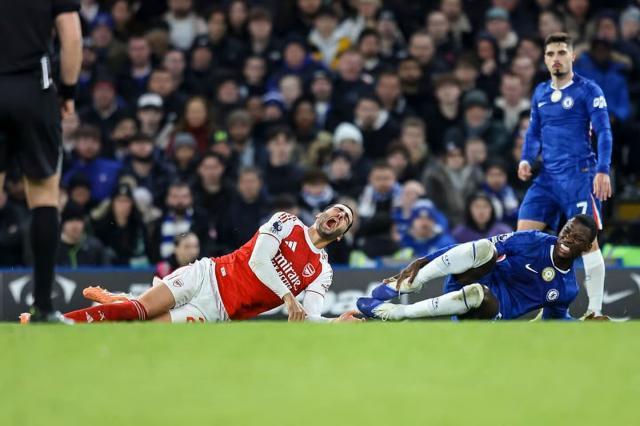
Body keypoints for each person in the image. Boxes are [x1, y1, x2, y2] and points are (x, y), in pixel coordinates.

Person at [32, 204, 361, 324]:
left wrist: (333, 323)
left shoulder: (322, 271)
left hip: (216, 311)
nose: (339, 215)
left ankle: (121, 299)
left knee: (142, 328)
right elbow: (260, 261)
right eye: (336, 209)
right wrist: (288, 297)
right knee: (140, 312)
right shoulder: (286, 222)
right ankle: (51, 322)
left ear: (341, 235)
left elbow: (310, 315)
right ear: (321, 213)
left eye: (346, 218)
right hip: (207, 275)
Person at [518, 33, 613, 318]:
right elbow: (534, 132)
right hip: (546, 178)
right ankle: (542, 309)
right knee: (523, 239)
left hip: (579, 175)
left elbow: (604, 131)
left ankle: (594, 311)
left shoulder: (588, 90)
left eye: (561, 52)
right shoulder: (540, 92)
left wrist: (603, 170)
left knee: (587, 241)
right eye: (550, 54)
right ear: (545, 59)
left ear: (572, 56)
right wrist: (526, 158)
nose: (556, 59)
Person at [358, 215, 609, 321]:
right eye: (567, 231)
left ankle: (397, 313)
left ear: (587, 248)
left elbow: (555, 322)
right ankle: (410, 283)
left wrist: (582, 326)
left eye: (577, 239)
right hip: (466, 279)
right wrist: (422, 260)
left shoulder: (567, 288)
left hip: (486, 312)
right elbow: (470, 248)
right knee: (486, 248)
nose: (567, 239)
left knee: (479, 294)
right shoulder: (533, 240)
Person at [0, 0, 82, 321]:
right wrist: (69, 91)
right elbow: (71, 36)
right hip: (35, 89)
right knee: (45, 195)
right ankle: (44, 306)